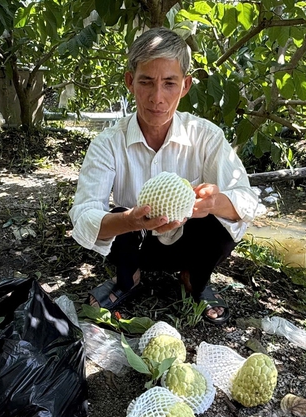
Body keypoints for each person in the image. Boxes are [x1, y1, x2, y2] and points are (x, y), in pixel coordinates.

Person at [69, 27, 259, 325]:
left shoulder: (206, 137)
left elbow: (248, 200)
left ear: (185, 85)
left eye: (169, 83)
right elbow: (82, 216)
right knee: (116, 215)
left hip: (188, 243)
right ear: (130, 82)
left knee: (220, 215)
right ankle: (127, 278)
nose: (157, 98)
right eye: (147, 82)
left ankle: (195, 278)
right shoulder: (108, 142)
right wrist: (130, 219)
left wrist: (214, 203)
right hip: (135, 245)